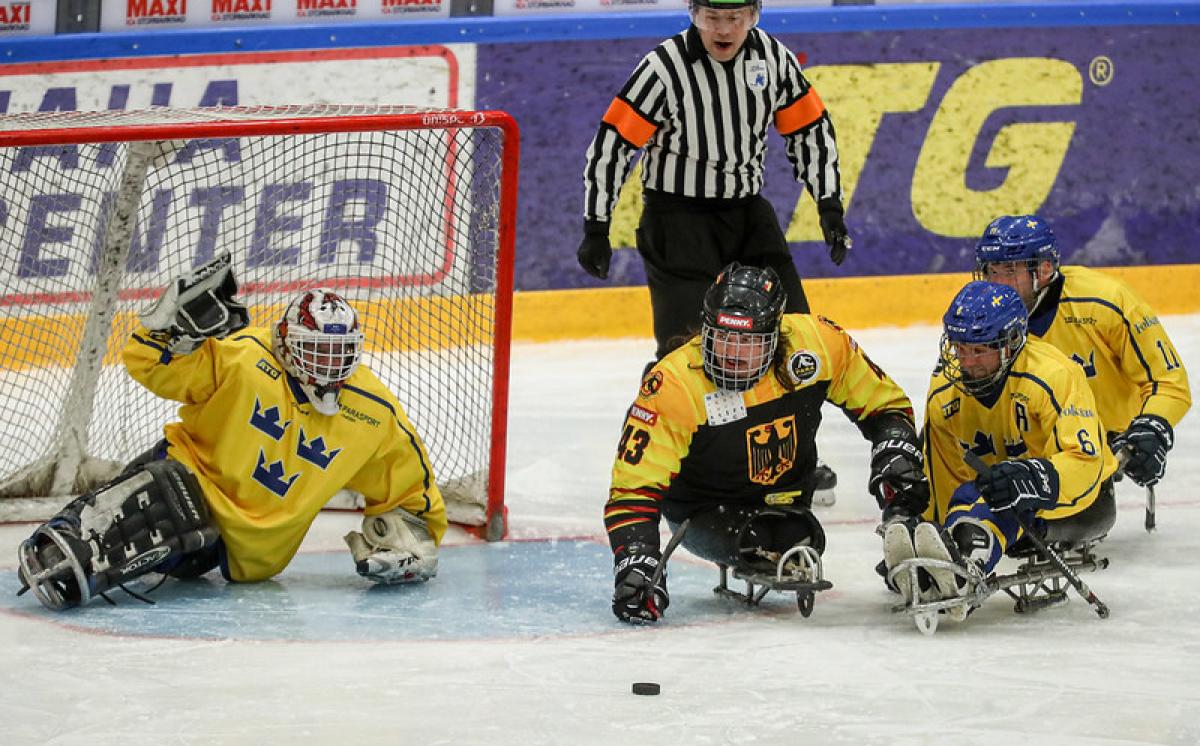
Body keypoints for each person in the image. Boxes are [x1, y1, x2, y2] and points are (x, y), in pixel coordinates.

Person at [17, 254, 447, 610]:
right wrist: (170, 334)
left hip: (247, 549)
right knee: (167, 488)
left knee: (169, 504)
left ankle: (88, 554)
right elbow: (148, 365)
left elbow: (410, 492)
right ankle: (67, 550)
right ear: (284, 340)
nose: (328, 365)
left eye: (340, 353)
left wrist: (412, 537)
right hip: (186, 475)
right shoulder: (242, 356)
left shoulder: (375, 414)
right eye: (316, 349)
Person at [578, 0, 850, 499]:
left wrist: (828, 204)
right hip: (676, 220)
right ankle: (677, 456)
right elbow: (614, 143)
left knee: (795, 339)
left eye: (736, 18)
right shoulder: (663, 67)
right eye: (712, 18)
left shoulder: (772, 59)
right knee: (686, 350)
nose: (723, 30)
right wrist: (597, 224)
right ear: (692, 14)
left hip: (748, 216)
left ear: (755, 16)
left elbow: (809, 129)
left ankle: (791, 459)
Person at [603, 263, 928, 623]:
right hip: (703, 509)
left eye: (747, 342)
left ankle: (909, 526)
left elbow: (887, 405)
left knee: (802, 532)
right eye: (723, 338)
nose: (732, 354)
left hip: (788, 500)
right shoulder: (675, 383)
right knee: (763, 539)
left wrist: (895, 459)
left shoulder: (818, 345)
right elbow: (633, 488)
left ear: (776, 336)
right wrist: (637, 559)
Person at [884, 281, 1118, 622]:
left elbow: (1087, 463)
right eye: (960, 347)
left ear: (1010, 343)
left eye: (979, 350)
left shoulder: (1055, 375)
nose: (967, 361)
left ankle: (967, 569)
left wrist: (1033, 479)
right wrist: (924, 534)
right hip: (996, 500)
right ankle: (953, 557)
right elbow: (946, 477)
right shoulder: (945, 394)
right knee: (975, 493)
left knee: (997, 494)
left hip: (1085, 499)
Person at [973, 215, 1190, 490]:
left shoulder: (1106, 301)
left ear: (1044, 269)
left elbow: (1168, 381)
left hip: (1096, 445)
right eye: (992, 271)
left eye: (1010, 271)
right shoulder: (978, 316)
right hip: (1020, 445)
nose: (997, 284)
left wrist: (1150, 428)